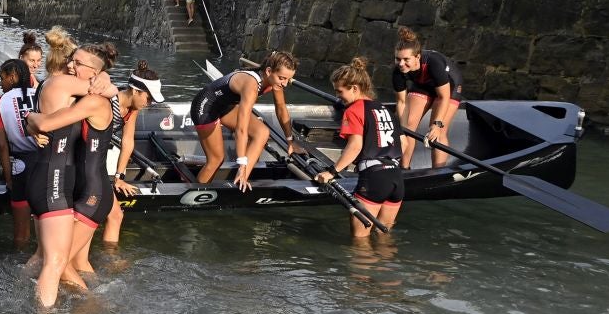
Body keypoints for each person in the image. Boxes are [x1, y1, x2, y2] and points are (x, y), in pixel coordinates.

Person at [24, 41, 118, 308]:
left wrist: (29, 118)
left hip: (89, 191)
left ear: (93, 72)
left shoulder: (91, 99)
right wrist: (107, 82)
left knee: (57, 262)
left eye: (77, 63)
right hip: (68, 184)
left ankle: (89, 305)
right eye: (70, 59)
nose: (69, 65)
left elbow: (44, 122)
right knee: (61, 261)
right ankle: (90, 302)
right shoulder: (81, 91)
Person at [314, 58, 404, 238]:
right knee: (384, 238)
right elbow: (405, 143)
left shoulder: (353, 110)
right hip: (396, 178)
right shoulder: (385, 109)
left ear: (354, 88)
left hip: (374, 180)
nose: (338, 96)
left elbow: (355, 146)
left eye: (340, 91)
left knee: (360, 245)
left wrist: (332, 171)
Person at [190, 52, 299, 191]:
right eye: (282, 78)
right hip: (206, 105)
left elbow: (281, 109)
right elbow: (241, 129)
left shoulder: (276, 82)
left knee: (262, 132)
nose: (284, 84)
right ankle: (197, 194)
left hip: (226, 105)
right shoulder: (251, 85)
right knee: (216, 159)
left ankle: (241, 180)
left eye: (288, 80)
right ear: (269, 71)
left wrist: (290, 141)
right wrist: (241, 162)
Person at [101, 61, 164, 246]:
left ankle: (108, 260)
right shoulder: (106, 103)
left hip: (95, 163)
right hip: (80, 162)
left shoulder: (133, 108)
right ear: (136, 91)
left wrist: (119, 177)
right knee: (113, 215)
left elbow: (128, 141)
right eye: (149, 98)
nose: (149, 103)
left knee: (115, 216)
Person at [392, 26, 462, 169]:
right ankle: (404, 169)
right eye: (397, 59)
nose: (401, 64)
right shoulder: (398, 71)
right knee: (408, 127)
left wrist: (437, 124)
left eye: (406, 59)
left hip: (449, 86)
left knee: (437, 132)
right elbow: (401, 102)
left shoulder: (433, 63)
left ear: (417, 57)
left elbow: (443, 97)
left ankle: (438, 172)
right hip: (423, 85)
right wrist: (403, 130)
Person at [0, 58, 37, 245]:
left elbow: (2, 145)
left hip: (21, 166)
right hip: (46, 162)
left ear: (12, 77)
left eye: (2, 78)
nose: (0, 83)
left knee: (21, 235)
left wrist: (8, 178)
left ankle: (20, 265)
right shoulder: (41, 94)